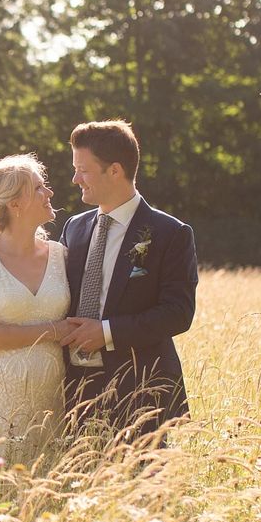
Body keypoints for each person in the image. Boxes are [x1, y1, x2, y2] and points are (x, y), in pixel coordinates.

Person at [59, 120, 198, 439]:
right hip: (75, 393)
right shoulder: (74, 228)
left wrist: (106, 333)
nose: (75, 178)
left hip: (141, 392)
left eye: (83, 170)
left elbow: (178, 313)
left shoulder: (171, 233)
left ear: (115, 171)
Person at [0, 154, 71, 461]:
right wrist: (54, 331)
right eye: (38, 188)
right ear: (14, 204)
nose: (49, 193)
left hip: (49, 398)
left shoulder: (62, 256)